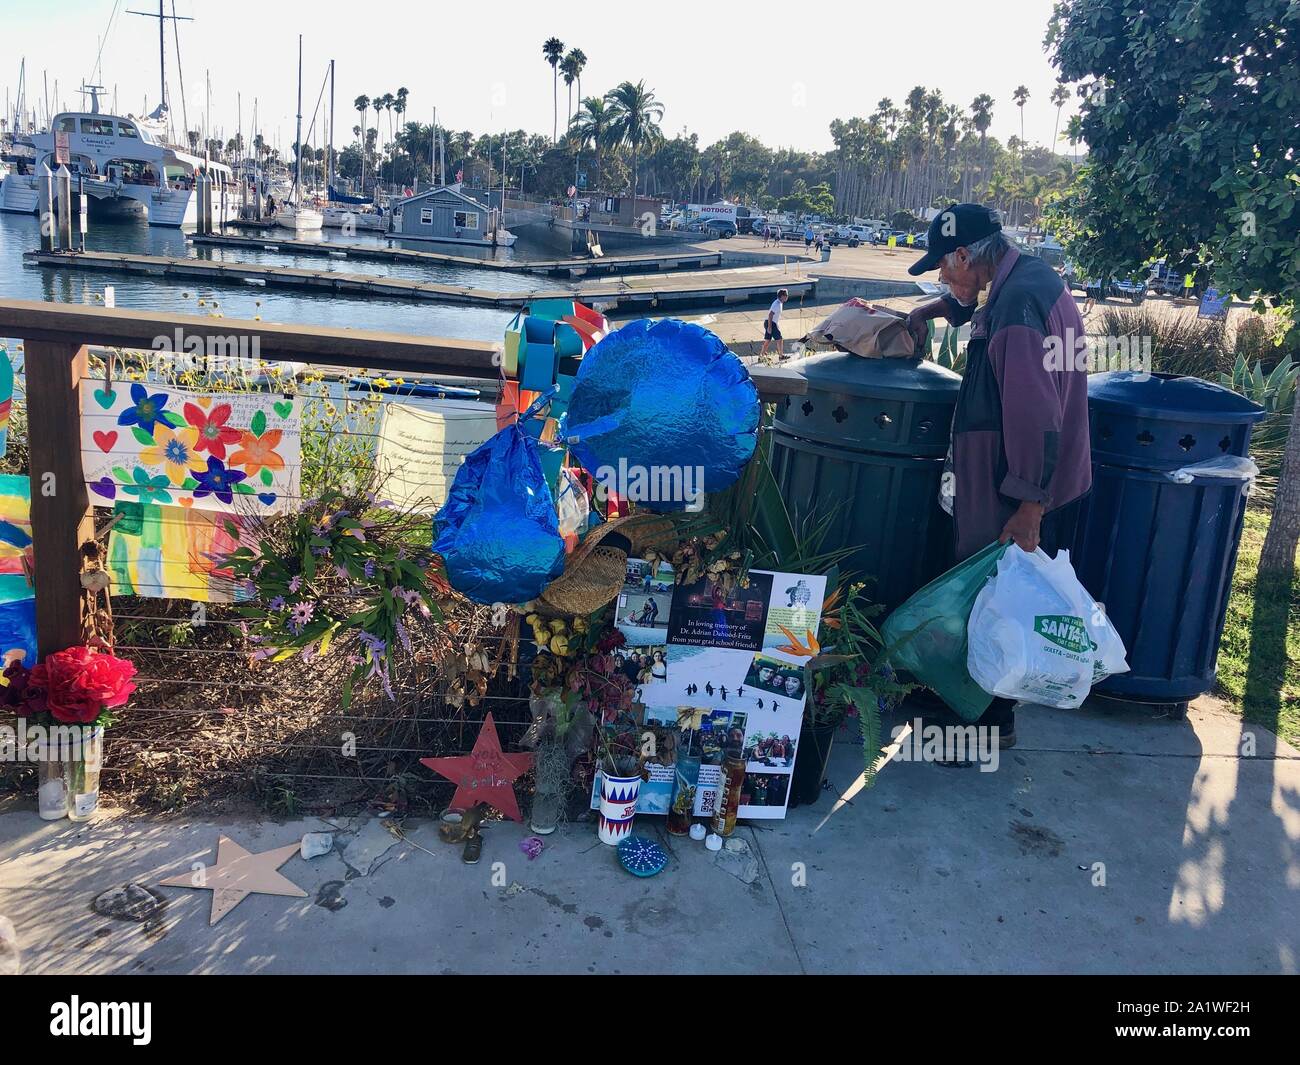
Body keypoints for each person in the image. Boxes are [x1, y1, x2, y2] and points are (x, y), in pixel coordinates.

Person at [902, 203, 1091, 748]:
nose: (941, 275)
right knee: (987, 587)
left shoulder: (1017, 304)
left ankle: (987, 724)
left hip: (1017, 480)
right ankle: (962, 693)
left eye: (943, 265)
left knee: (997, 597)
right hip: (1017, 474)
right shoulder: (1024, 278)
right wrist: (931, 311)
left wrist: (1029, 504)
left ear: (966, 254)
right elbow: (974, 307)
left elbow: (1035, 412)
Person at [760, 288, 789, 359]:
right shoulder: (777, 304)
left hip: (770, 323)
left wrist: (775, 324)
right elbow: (770, 315)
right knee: (779, 339)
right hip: (770, 323)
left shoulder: (779, 303)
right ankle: (781, 356)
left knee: (768, 340)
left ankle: (761, 356)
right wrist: (769, 327)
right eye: (786, 295)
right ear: (781, 296)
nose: (787, 296)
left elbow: (774, 316)